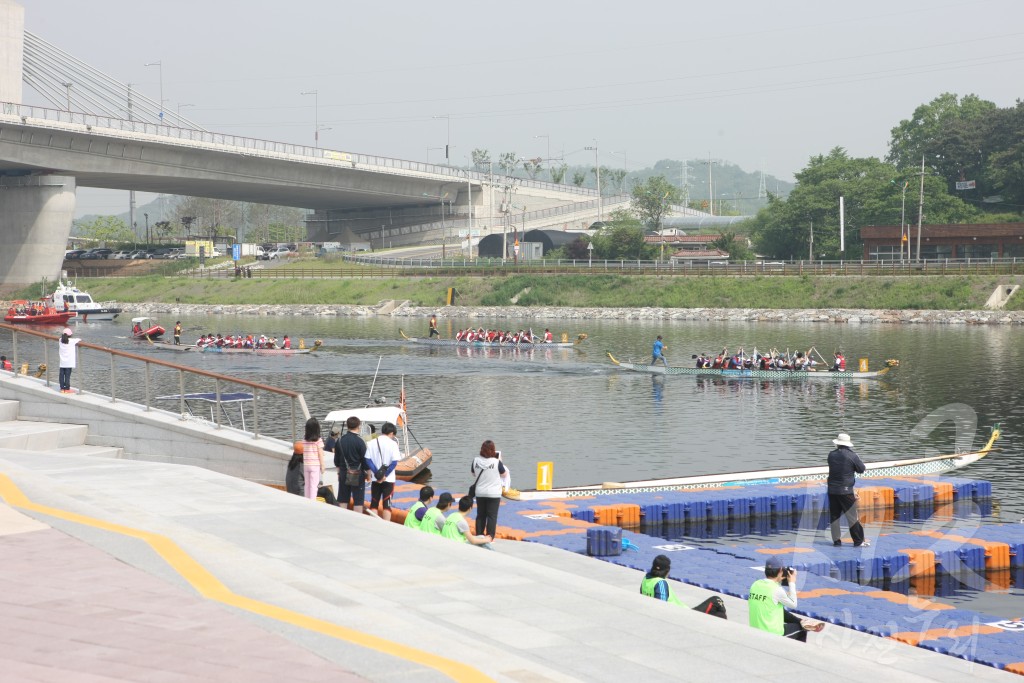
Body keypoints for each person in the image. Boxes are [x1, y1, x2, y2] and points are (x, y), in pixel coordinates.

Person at [749, 556, 824, 642]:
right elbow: (793, 604)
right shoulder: (776, 589)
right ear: (781, 571)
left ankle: (801, 623)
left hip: (755, 631)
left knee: (797, 623)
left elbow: (778, 610)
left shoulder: (755, 585)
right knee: (802, 629)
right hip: (771, 634)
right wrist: (792, 582)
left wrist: (800, 621)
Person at [640, 555, 727, 619]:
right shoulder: (660, 583)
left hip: (680, 614)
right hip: (684, 615)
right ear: (667, 570)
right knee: (716, 600)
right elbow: (662, 607)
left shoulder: (646, 579)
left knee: (715, 613)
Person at [827, 433, 868, 547]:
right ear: (848, 444)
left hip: (832, 490)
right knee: (852, 517)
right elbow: (861, 469)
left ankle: (836, 541)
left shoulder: (831, 455)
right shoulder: (852, 455)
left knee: (835, 516)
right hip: (846, 491)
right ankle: (858, 541)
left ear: (838, 444)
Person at [471, 440, 507, 539]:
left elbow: (473, 474)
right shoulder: (496, 462)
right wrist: (501, 462)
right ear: (493, 450)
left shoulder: (475, 460)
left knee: (480, 515)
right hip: (494, 493)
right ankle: (490, 536)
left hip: (480, 492)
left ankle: (479, 534)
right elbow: (504, 474)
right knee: (492, 516)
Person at [365, 421, 400, 521]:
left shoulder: (371, 443)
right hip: (388, 480)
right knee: (387, 504)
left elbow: (367, 460)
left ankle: (374, 523)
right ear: (392, 433)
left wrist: (377, 474)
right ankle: (386, 525)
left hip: (376, 479)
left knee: (374, 502)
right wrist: (385, 475)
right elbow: (394, 462)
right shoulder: (393, 444)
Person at [335, 415, 368, 514]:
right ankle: (357, 520)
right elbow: (365, 461)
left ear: (347, 426)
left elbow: (336, 460)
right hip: (358, 474)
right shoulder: (360, 441)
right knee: (358, 500)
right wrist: (368, 474)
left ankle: (342, 518)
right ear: (359, 426)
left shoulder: (340, 441)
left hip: (344, 473)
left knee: (343, 498)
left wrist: (338, 473)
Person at [300, 418, 325, 500]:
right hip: (315, 466)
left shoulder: (304, 440)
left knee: (307, 484)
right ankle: (312, 502)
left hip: (306, 465)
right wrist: (322, 466)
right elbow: (320, 455)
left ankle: (306, 500)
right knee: (314, 486)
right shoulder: (318, 440)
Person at [57, 327, 80, 393]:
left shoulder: (60, 340)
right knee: (67, 375)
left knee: (61, 375)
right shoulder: (72, 341)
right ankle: (67, 389)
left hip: (62, 362)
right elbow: (78, 339)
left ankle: (62, 388)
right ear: (70, 335)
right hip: (69, 362)